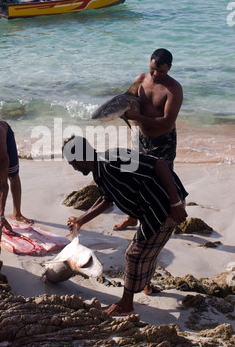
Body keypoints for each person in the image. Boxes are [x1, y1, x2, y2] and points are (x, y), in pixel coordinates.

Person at [63, 135, 188, 316]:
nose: (73, 167)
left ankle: (126, 304)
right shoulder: (100, 171)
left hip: (164, 207)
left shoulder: (113, 162)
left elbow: (158, 163)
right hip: (149, 208)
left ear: (81, 158)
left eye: (72, 162)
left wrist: (175, 203)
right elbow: (106, 198)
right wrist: (81, 220)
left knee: (134, 254)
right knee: (148, 249)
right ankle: (147, 285)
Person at [113, 48, 183, 231]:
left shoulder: (174, 89)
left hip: (163, 141)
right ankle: (132, 218)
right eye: (153, 69)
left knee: (165, 180)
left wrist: (137, 116)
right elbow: (126, 99)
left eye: (161, 71)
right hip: (139, 137)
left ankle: (168, 219)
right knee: (133, 177)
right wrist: (118, 111)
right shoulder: (141, 80)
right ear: (150, 63)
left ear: (169, 69)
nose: (156, 74)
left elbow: (167, 121)